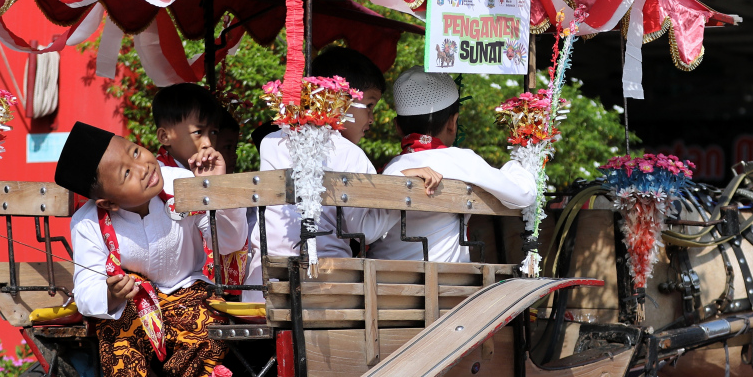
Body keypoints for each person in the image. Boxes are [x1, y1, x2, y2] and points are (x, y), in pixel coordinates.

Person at [56, 122, 248, 377]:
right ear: (109, 202)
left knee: (212, 326)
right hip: (138, 312)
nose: (143, 167)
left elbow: (230, 242)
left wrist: (216, 188)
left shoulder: (182, 184)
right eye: (126, 174)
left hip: (190, 297)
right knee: (114, 323)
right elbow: (86, 291)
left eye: (135, 151)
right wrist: (112, 293)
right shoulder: (88, 222)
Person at [244, 48, 439, 298]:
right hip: (324, 288)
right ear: (340, 101)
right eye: (368, 105)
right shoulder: (349, 153)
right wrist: (401, 195)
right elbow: (364, 231)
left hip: (261, 286)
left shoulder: (271, 142)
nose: (371, 118)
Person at [368, 69, 535, 262]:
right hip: (441, 281)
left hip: (382, 275)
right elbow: (524, 195)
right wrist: (515, 165)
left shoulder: (393, 168)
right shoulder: (461, 160)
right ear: (452, 123)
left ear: (397, 126)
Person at [152, 83, 224, 169]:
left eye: (213, 132)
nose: (208, 143)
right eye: (198, 132)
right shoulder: (160, 176)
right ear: (165, 136)